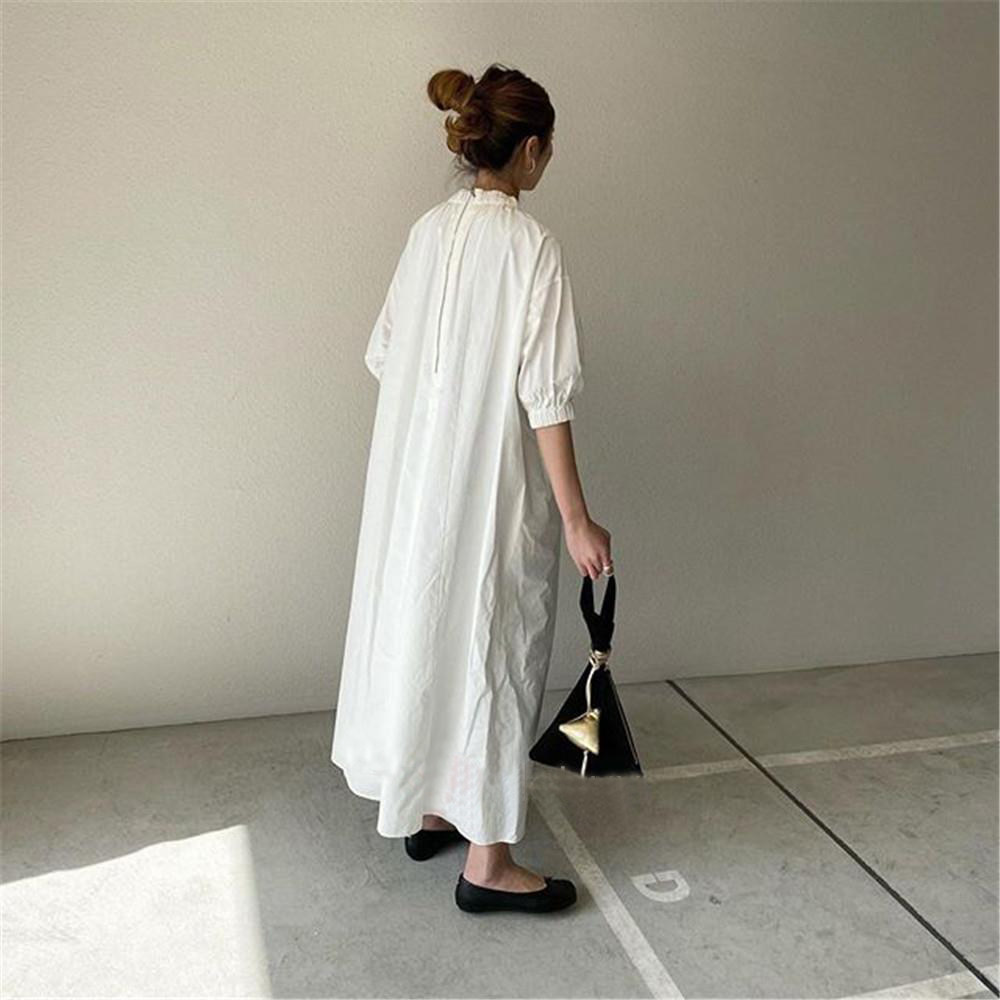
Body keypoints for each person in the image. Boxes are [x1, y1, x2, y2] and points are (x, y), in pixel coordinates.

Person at [330, 63, 613, 914]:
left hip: (414, 487)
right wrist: (577, 519)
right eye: (549, 147)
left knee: (423, 631)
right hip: (490, 491)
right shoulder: (532, 248)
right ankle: (488, 863)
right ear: (530, 151)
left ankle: (426, 807)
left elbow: (383, 354)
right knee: (493, 645)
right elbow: (546, 395)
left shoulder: (426, 232)